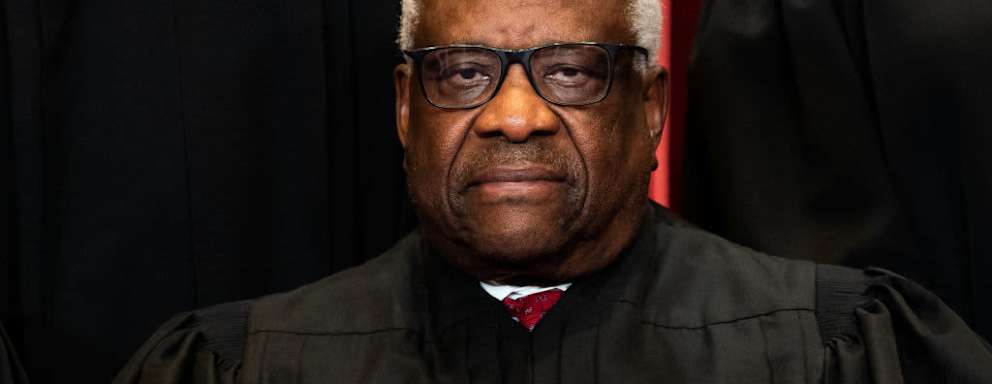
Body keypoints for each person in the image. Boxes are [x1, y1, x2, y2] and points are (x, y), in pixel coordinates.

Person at [115, 0, 992, 382]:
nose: (516, 115)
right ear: (403, 107)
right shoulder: (243, 365)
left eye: (572, 72)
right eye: (462, 73)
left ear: (650, 108)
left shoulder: (838, 354)